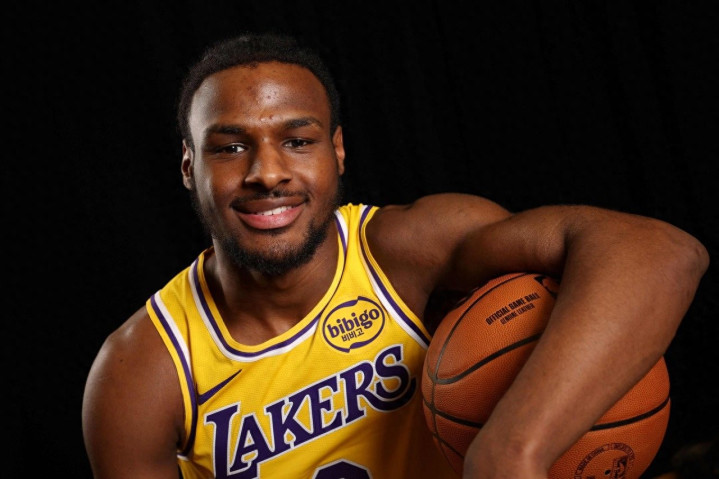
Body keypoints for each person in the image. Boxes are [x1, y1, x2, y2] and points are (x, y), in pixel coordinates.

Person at [81, 32, 709, 479]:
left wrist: (512, 450)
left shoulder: (407, 252)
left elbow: (660, 252)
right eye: (229, 148)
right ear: (188, 166)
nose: (267, 173)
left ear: (338, 151)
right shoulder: (143, 374)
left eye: (297, 141)